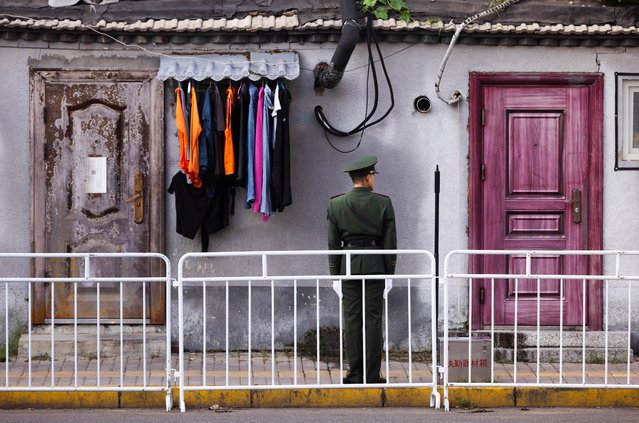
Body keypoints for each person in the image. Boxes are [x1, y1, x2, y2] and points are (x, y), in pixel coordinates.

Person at [327, 155, 397, 384]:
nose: (373, 179)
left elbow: (333, 243)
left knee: (352, 320)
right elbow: (390, 242)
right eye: (373, 175)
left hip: (348, 266)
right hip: (376, 266)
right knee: (373, 320)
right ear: (367, 177)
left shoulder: (336, 204)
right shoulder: (383, 203)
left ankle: (354, 373)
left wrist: (335, 275)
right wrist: (390, 274)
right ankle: (372, 374)